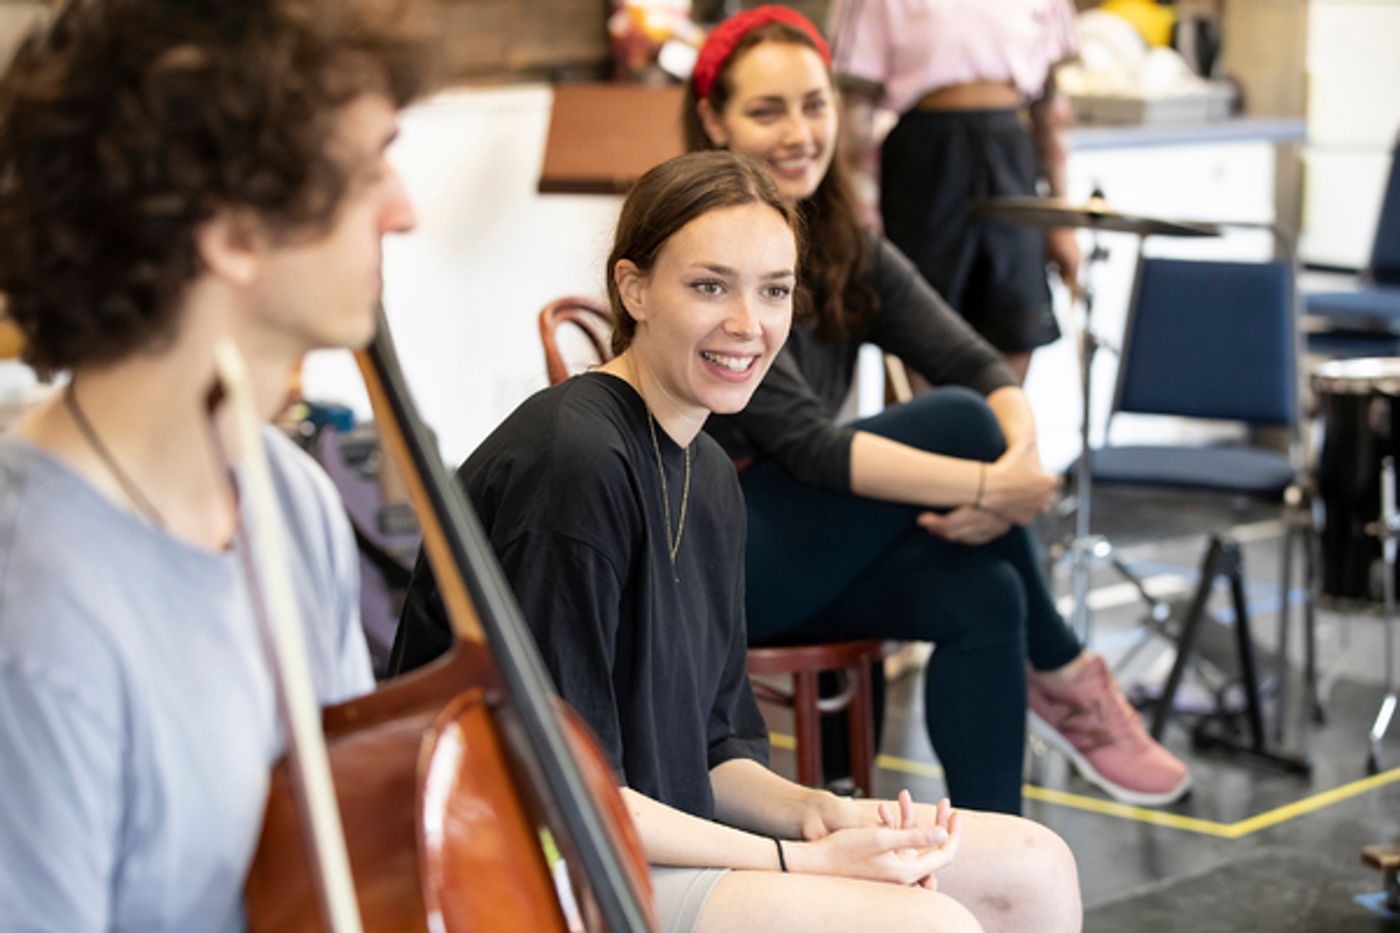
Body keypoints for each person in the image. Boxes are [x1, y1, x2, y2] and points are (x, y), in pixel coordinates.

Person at [391, 150, 1082, 933]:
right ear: (634, 288)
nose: (748, 325)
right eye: (709, 285)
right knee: (925, 924)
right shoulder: (574, 460)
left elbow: (716, 750)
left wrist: (819, 813)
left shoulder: (709, 472)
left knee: (1034, 864)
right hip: (537, 866)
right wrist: (800, 862)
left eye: (775, 290)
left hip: (652, 834)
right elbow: (568, 792)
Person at [685, 5, 1190, 814]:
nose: (799, 132)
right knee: (957, 419)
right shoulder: (702, 243)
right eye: (766, 110)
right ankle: (1064, 674)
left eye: (814, 105)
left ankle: (997, 863)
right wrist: (995, 487)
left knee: (985, 590)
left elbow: (974, 357)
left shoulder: (842, 239)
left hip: (808, 541)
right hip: (714, 562)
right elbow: (812, 446)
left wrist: (1020, 464)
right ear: (712, 120)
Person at [0, 1, 428, 929]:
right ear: (233, 234)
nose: (406, 210)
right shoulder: (33, 620)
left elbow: (340, 858)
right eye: (367, 173)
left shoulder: (289, 498)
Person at [830, 0, 1082, 383]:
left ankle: (1002, 438)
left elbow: (1051, 106)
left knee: (1016, 322)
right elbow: (854, 114)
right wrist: (864, 225)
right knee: (917, 324)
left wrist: (1064, 221)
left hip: (1011, 151)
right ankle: (927, 437)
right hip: (925, 157)